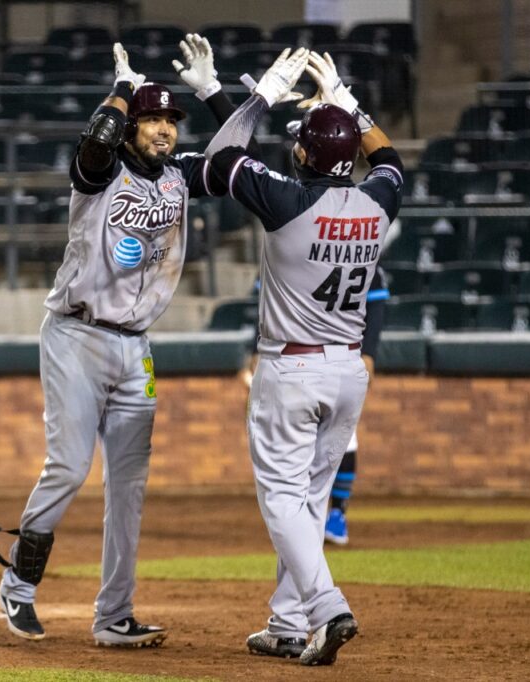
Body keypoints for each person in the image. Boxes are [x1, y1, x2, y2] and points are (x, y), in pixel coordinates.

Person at [0, 38, 238, 648]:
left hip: (136, 349)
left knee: (128, 489)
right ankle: (19, 586)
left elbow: (238, 163)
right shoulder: (100, 176)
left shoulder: (179, 178)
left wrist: (213, 94)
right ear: (132, 126)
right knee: (71, 467)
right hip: (76, 334)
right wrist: (125, 90)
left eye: (169, 120)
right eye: (153, 120)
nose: (163, 129)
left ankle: (113, 617)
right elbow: (97, 141)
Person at [204, 49, 403, 665]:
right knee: (312, 498)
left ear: (302, 153)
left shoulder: (286, 200)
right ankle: (288, 623)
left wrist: (260, 98)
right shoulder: (378, 202)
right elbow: (390, 160)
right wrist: (345, 100)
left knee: (284, 499)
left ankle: (326, 607)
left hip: (291, 366)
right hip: (347, 368)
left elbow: (219, 160)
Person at [324, 264, 388, 545]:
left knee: (345, 436)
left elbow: (376, 309)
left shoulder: (366, 256)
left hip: (344, 352)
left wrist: (370, 353)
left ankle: (337, 513)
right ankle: (307, 515)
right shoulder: (303, 247)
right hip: (301, 352)